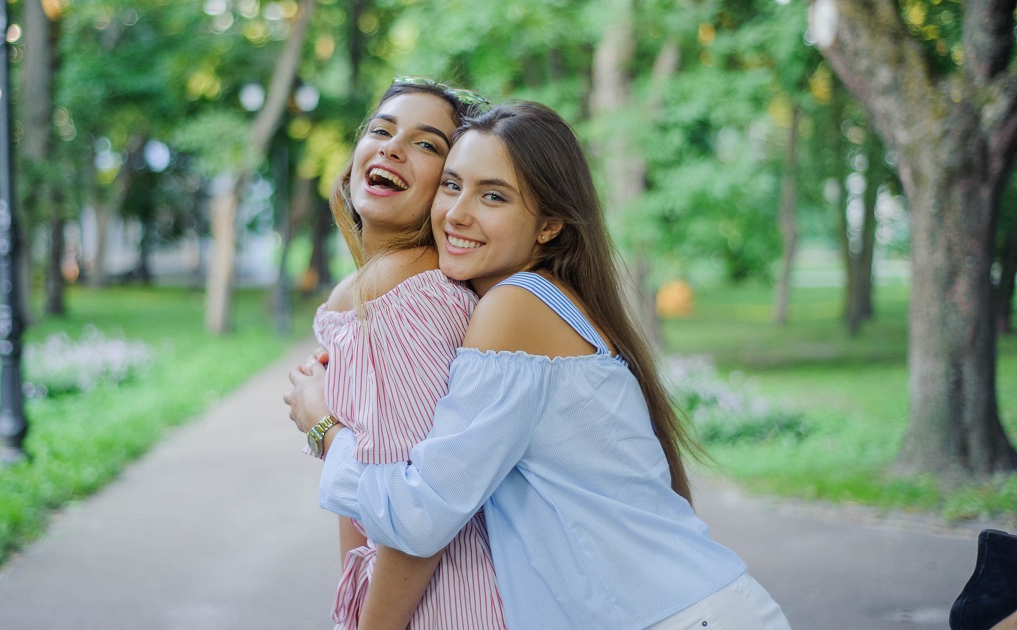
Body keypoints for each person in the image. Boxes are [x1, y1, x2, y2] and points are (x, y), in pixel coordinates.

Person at [287, 101, 792, 629]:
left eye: (494, 196)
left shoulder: (516, 307)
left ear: (549, 226)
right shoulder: (538, 302)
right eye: (453, 186)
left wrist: (324, 428)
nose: (458, 213)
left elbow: (422, 516)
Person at [290, 77, 506, 629]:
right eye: (381, 130)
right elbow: (360, 498)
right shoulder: (374, 290)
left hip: (450, 606)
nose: (391, 147)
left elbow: (411, 510)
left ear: (449, 185)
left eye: (426, 144)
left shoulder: (409, 292)